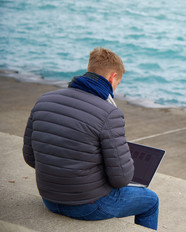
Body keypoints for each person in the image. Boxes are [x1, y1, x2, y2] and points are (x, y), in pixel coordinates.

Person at [22, 47, 159, 230]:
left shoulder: (44, 100)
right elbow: (121, 179)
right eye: (117, 83)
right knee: (151, 201)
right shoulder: (109, 113)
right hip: (86, 206)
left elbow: (30, 157)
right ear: (112, 78)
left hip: (49, 198)